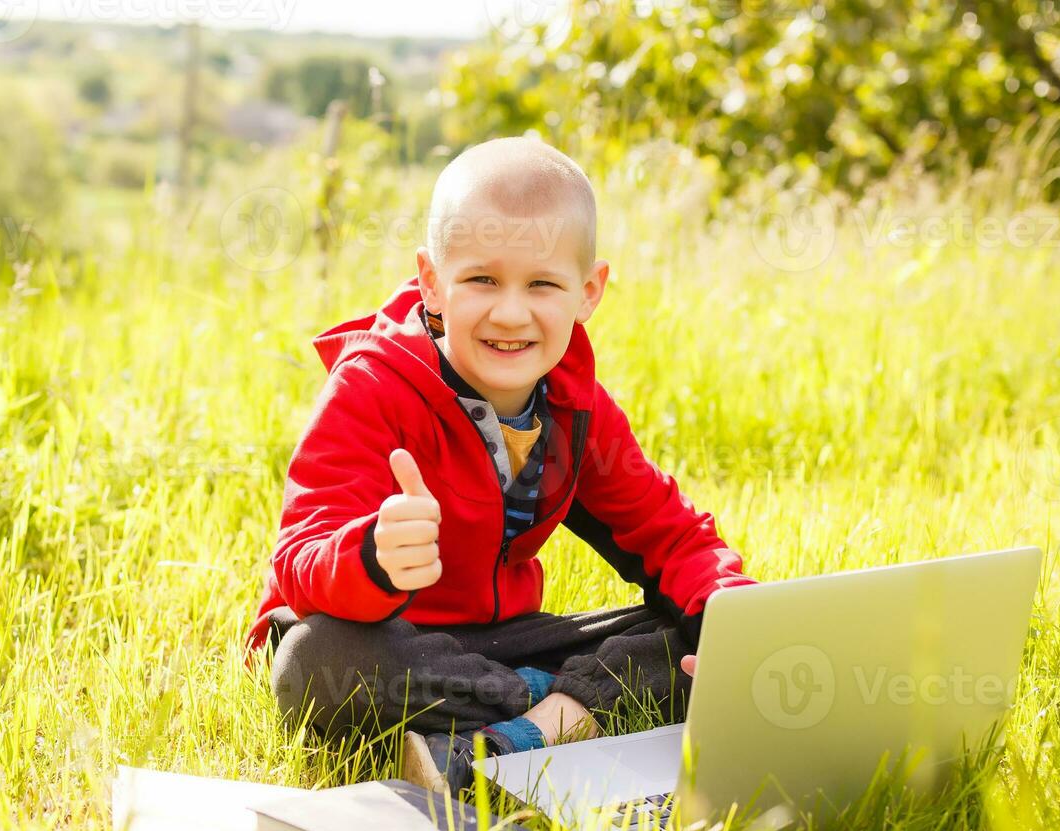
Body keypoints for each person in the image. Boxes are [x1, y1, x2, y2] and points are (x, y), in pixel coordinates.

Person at [244, 136, 757, 794]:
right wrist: (370, 555)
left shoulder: (575, 409)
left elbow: (670, 534)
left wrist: (728, 620)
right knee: (311, 661)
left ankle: (518, 735)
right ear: (432, 282)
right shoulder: (372, 387)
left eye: (542, 283)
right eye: (482, 279)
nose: (510, 313)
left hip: (500, 646)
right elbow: (301, 556)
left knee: (691, 641)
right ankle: (564, 715)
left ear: (589, 291)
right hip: (384, 644)